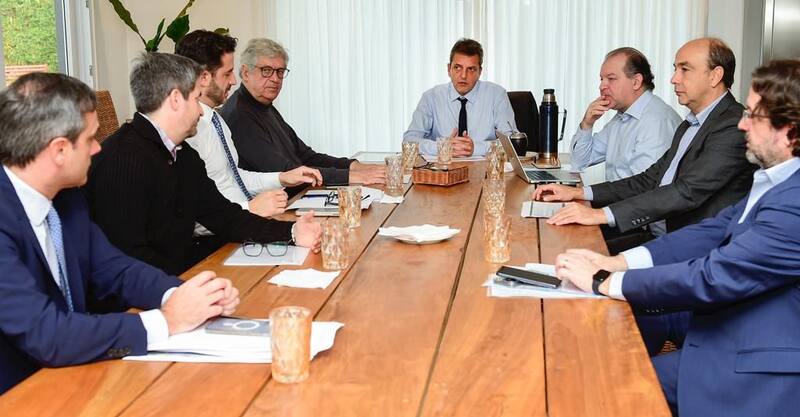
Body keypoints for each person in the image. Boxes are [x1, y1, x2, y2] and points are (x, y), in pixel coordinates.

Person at [553, 59, 800, 417]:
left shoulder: (793, 202)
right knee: (602, 334)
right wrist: (617, 262)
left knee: (602, 386)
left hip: (753, 358)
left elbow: (715, 276)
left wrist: (607, 280)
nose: (742, 123)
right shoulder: (776, 179)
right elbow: (712, 230)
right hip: (727, 319)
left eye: (753, 114)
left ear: (790, 128)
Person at [0, 72, 240, 394]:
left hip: (74, 372)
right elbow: (47, 335)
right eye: (90, 139)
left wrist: (185, 295)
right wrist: (167, 321)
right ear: (59, 151)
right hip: (20, 391)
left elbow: (115, 269)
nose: (99, 149)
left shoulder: (66, 196)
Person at [86, 52, 321, 276]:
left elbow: (224, 216)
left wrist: (292, 231)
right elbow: (127, 260)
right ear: (176, 99)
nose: (201, 111)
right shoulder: (121, 160)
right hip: (149, 298)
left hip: (185, 277)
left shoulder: (184, 154)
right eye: (197, 98)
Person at [534, 38, 755, 252]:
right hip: (661, 233)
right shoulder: (692, 123)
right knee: (561, 241)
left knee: (570, 251)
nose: (673, 79)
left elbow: (686, 192)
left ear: (715, 75)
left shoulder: (733, 125)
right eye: (675, 69)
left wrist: (601, 214)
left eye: (684, 70)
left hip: (691, 247)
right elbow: (649, 179)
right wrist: (580, 193)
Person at [175, 30, 323, 219]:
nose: (234, 80)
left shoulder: (216, 119)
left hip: (244, 221)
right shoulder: (187, 131)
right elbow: (193, 215)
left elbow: (233, 176)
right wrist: (249, 208)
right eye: (227, 73)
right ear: (203, 77)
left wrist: (281, 178)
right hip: (222, 235)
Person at [221, 38, 385, 189]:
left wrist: (353, 165)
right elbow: (286, 172)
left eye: (280, 71)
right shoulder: (239, 115)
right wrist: (352, 176)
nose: (275, 79)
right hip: (273, 208)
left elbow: (305, 156)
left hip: (296, 195)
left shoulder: (264, 105)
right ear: (245, 73)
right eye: (266, 70)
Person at [570, 47, 681, 181]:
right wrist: (587, 124)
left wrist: (589, 197)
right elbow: (580, 162)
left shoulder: (657, 121)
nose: (602, 86)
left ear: (636, 82)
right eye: (601, 79)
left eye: (611, 78)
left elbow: (643, 189)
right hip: (619, 200)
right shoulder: (622, 117)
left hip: (633, 201)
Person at [402, 38, 516, 157]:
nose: (463, 75)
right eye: (457, 67)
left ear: (480, 72)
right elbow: (409, 141)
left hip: (484, 171)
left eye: (471, 69)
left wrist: (475, 148)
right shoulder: (431, 97)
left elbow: (512, 142)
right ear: (448, 69)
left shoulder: (497, 95)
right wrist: (443, 147)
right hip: (443, 171)